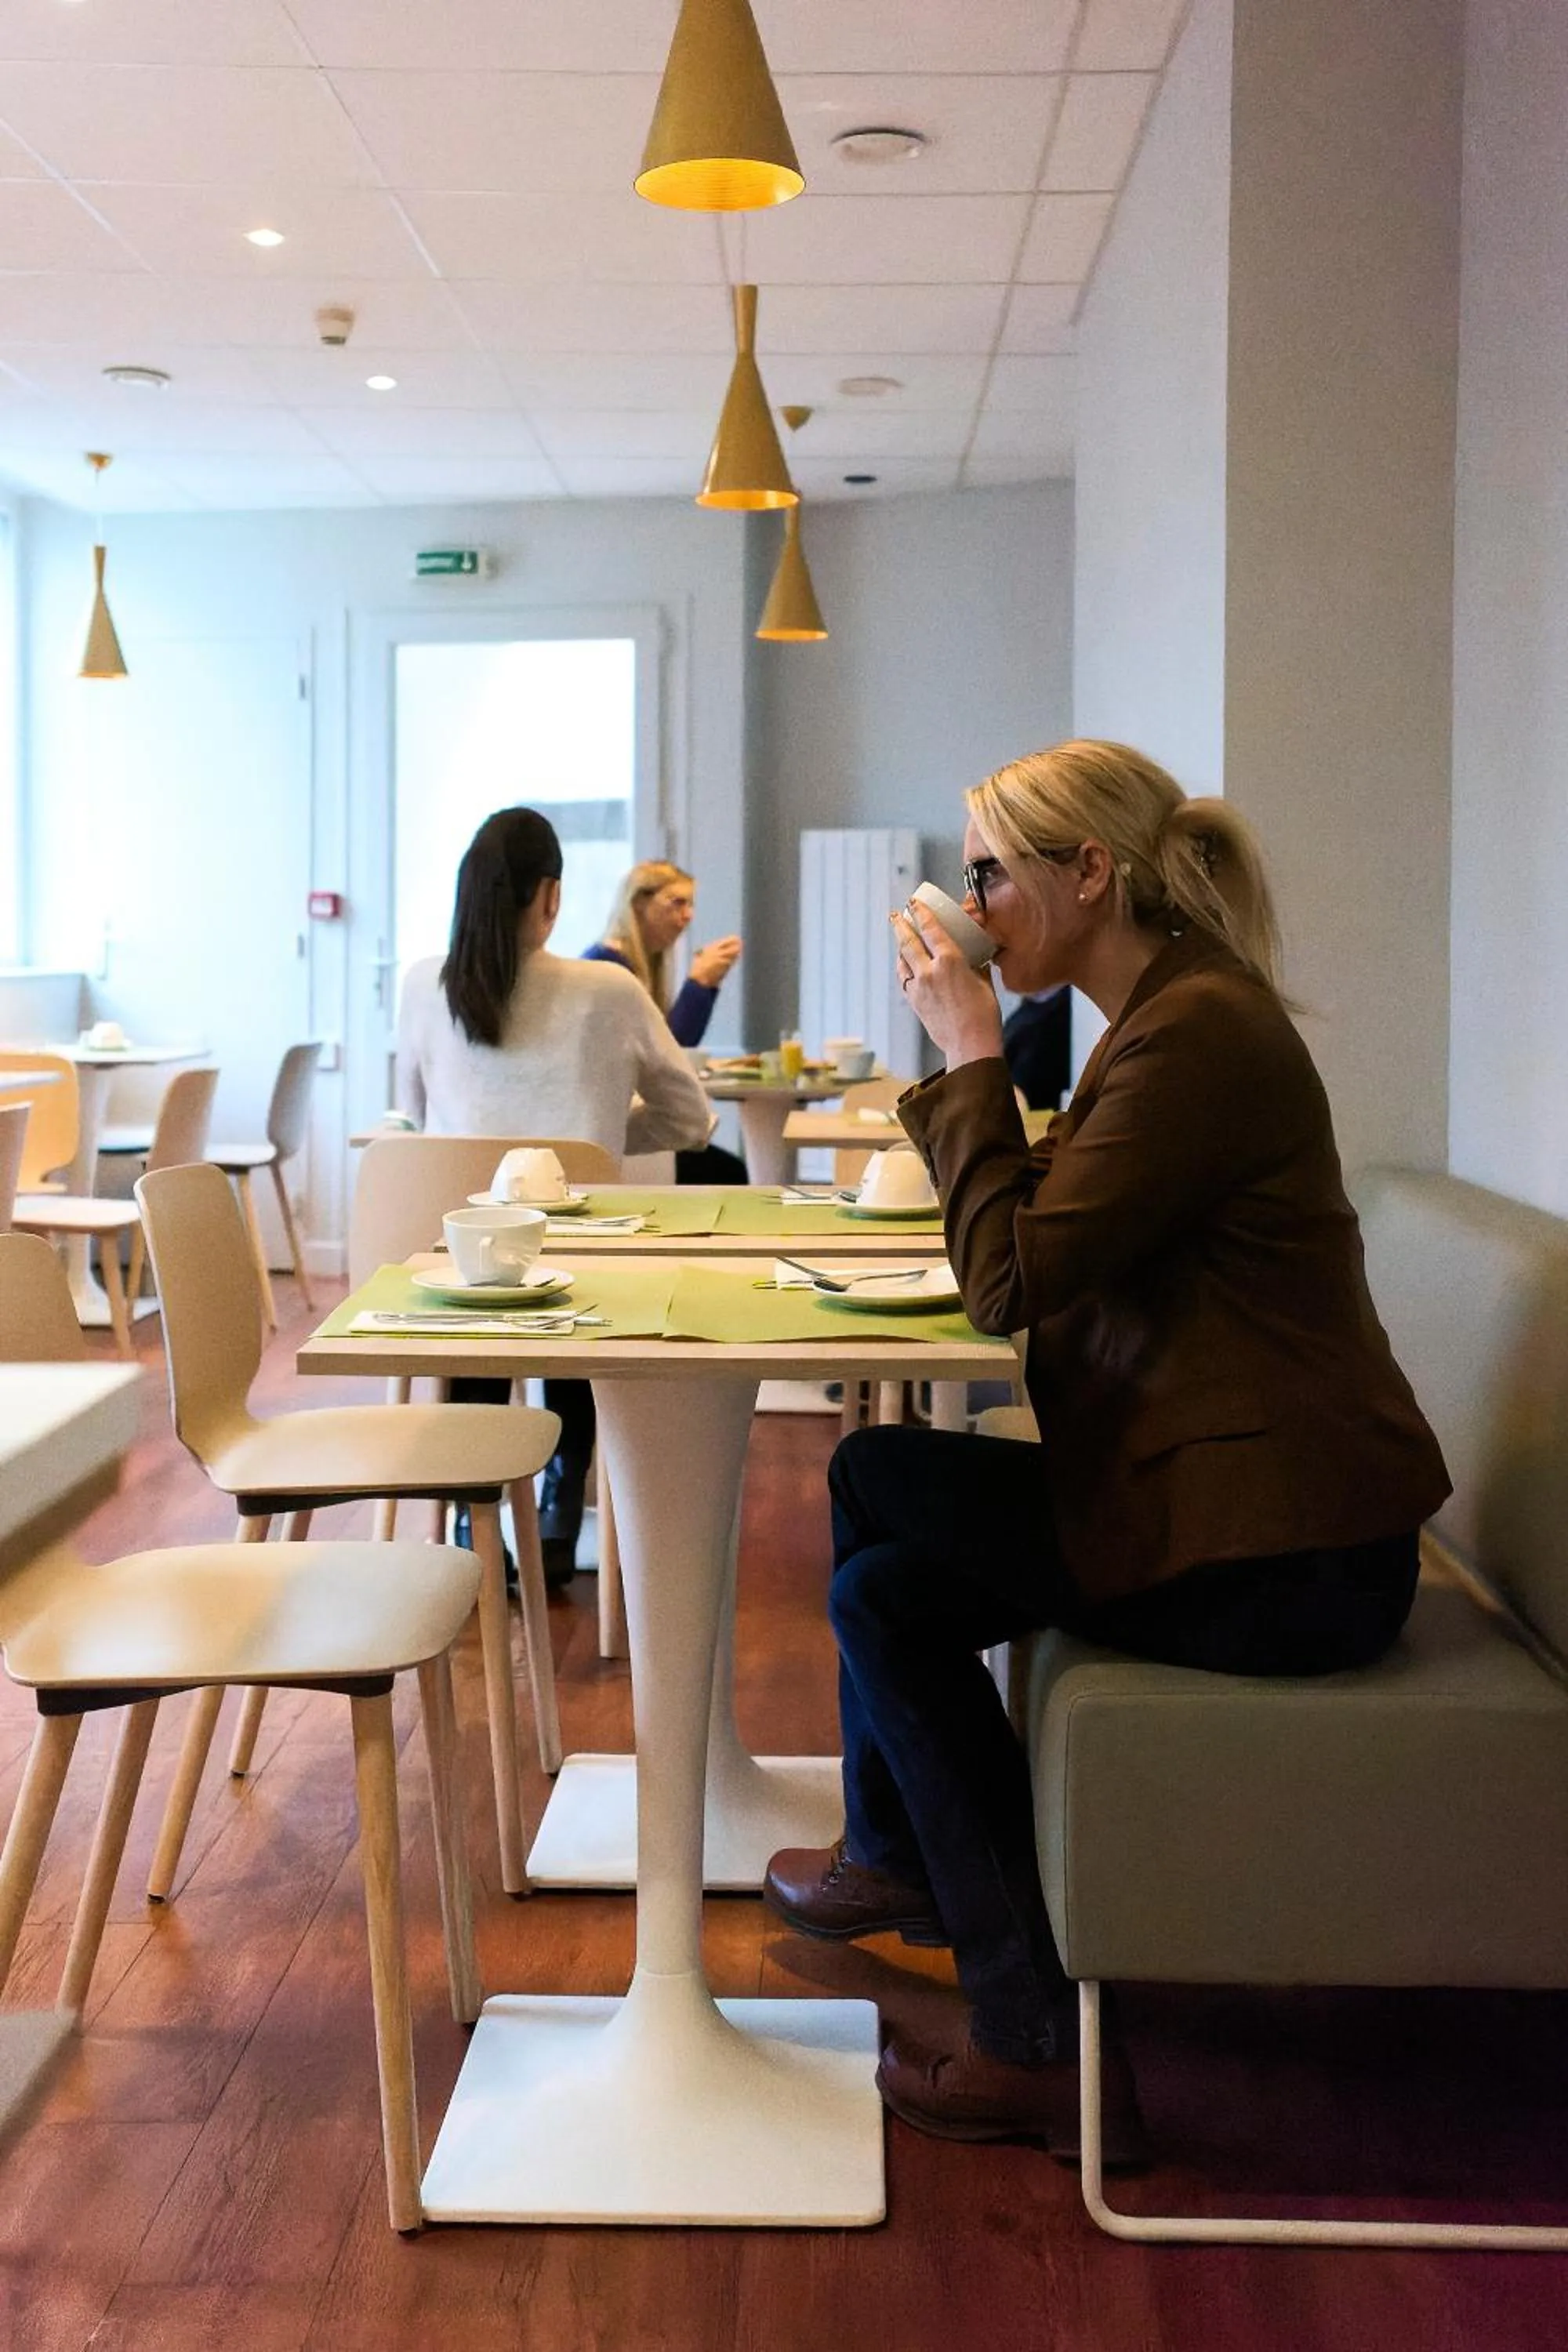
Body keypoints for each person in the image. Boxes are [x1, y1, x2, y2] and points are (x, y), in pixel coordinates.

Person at [763, 739, 1450, 2155]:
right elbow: (1047, 1233)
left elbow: (1011, 1279)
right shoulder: (1163, 1016)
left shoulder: (1196, 1034)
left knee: (873, 1537)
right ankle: (927, 1894)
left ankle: (1017, 2015)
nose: (976, 903)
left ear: (1091, 873)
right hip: (1235, 1505)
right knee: (874, 1528)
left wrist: (964, 1045)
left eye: (993, 873)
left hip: (1286, 1550)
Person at [397, 808, 711, 1583]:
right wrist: (591, 1144)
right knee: (566, 1306)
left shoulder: (421, 985)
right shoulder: (606, 988)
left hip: (454, 1274)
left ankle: (475, 1525)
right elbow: (691, 1120)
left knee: (484, 1282)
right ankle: (561, 1503)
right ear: (549, 896)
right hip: (582, 1264)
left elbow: (413, 1115)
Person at [586, 860, 747, 1182]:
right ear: (639, 903)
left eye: (691, 905)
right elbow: (670, 1049)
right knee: (730, 1171)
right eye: (677, 903)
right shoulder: (609, 968)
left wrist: (703, 985)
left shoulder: (629, 965)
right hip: (611, 1128)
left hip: (619, 1118)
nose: (688, 916)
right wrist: (700, 984)